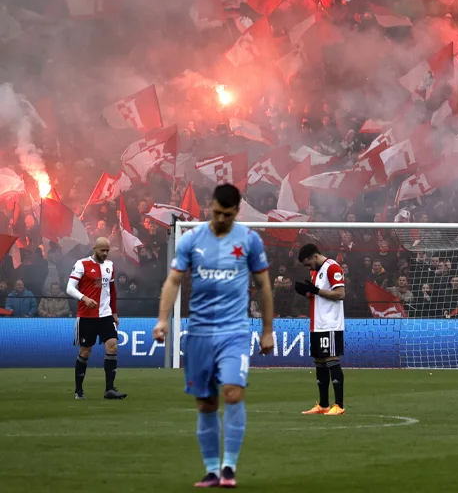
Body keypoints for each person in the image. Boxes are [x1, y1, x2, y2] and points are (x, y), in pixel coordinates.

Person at [154, 184, 274, 489]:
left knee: (233, 392)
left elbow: (263, 287)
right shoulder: (192, 239)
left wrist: (268, 330)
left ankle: (229, 467)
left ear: (237, 212)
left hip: (234, 332)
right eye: (217, 212)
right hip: (199, 334)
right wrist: (163, 320)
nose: (221, 218)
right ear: (210, 206)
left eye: (228, 214)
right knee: (206, 403)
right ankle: (210, 470)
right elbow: (173, 281)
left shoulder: (249, 240)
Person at [66, 237, 126, 400]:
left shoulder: (110, 266)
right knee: (85, 351)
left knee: (112, 346)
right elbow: (69, 288)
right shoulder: (81, 264)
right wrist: (84, 298)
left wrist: (114, 312)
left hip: (105, 315)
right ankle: (79, 390)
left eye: (107, 250)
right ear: (94, 249)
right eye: (102, 250)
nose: (105, 253)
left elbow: (112, 290)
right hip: (87, 316)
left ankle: (109, 389)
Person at [295, 243, 347, 416]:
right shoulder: (315, 271)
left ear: (314, 256)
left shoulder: (332, 267)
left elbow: (340, 294)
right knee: (319, 362)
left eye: (308, 263)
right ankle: (323, 405)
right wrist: (306, 292)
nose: (308, 267)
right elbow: (317, 295)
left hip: (330, 323)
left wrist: (315, 290)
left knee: (332, 359)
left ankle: (339, 406)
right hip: (316, 324)